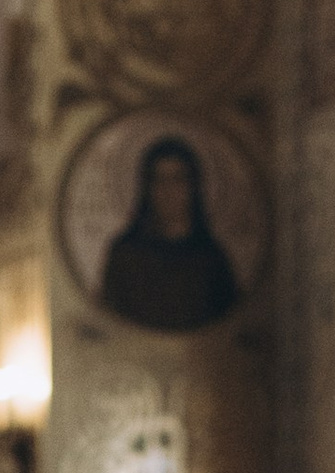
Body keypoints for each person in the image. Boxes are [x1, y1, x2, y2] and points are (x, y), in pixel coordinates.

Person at [99, 135, 240, 332]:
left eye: (177, 180)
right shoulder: (125, 255)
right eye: (159, 180)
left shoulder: (211, 258)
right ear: (148, 189)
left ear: (193, 187)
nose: (169, 191)